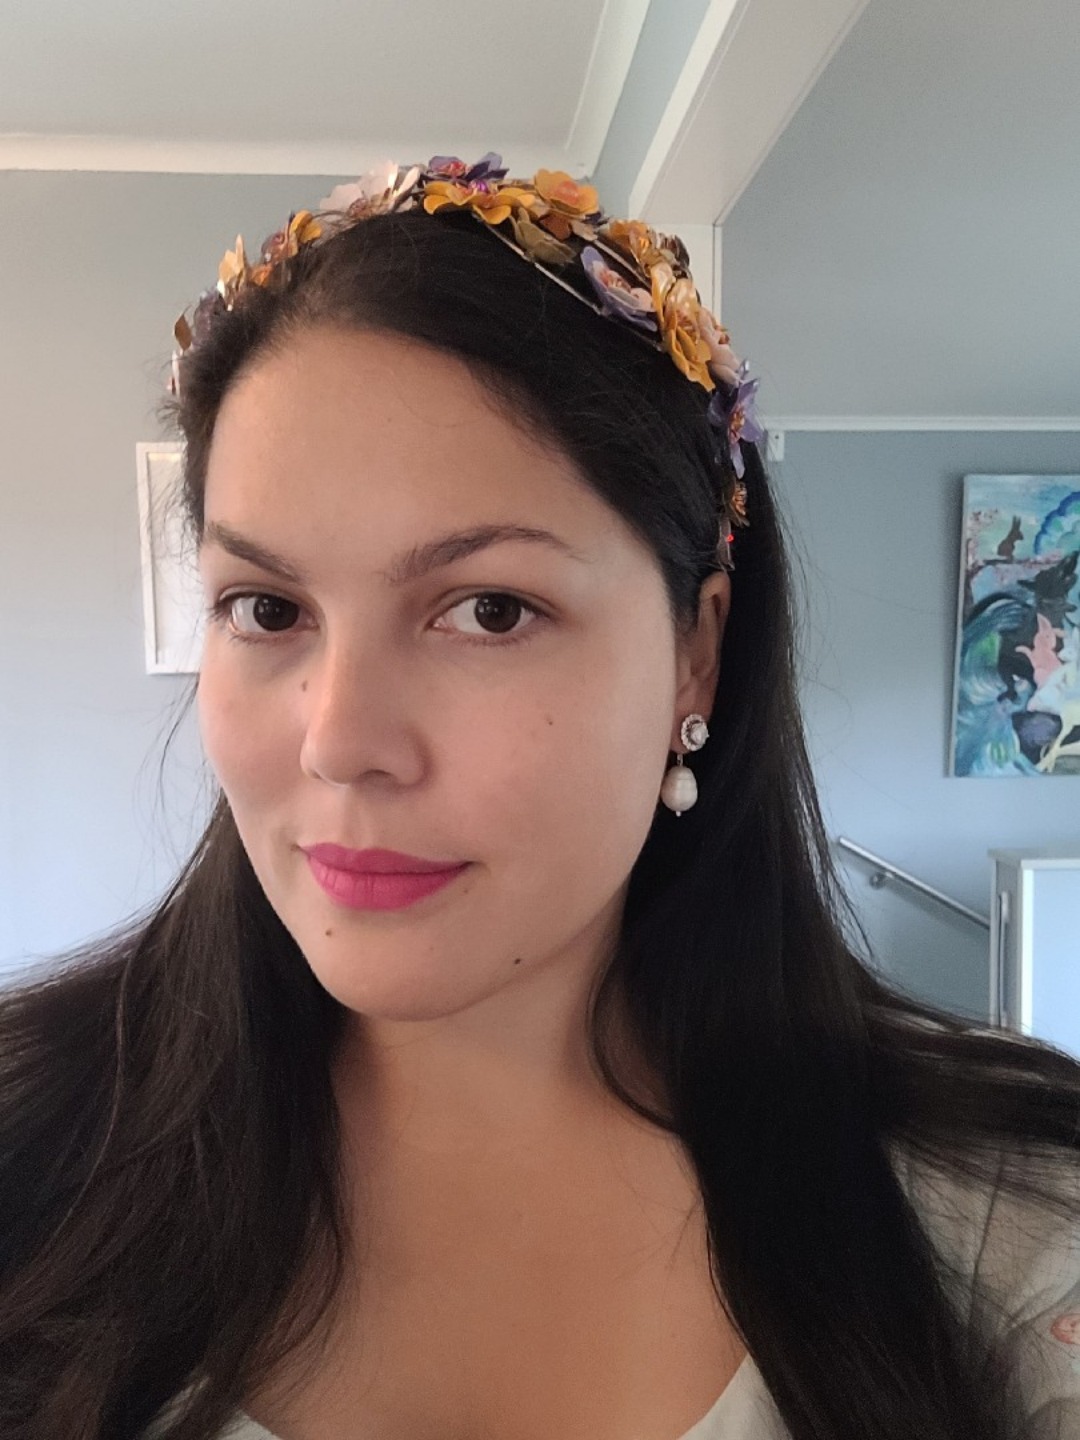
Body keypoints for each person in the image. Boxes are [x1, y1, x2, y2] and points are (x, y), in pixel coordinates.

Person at [1, 153, 1078, 1440]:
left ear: (696, 651)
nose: (340, 743)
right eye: (268, 609)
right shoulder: (29, 1151)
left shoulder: (1008, 1229)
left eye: (490, 610)